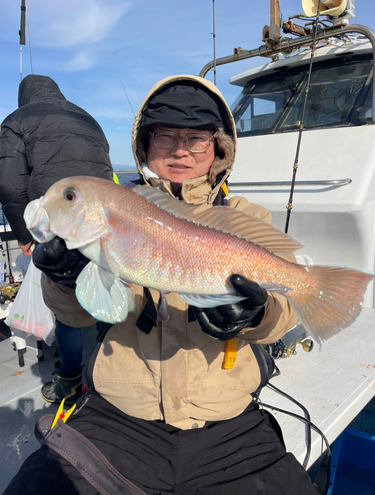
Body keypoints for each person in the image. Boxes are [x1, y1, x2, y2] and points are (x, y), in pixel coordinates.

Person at [3, 75, 319, 494]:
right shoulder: (117, 207)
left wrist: (258, 314)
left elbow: (282, 320)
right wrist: (63, 277)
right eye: (164, 135)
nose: (180, 149)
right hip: (119, 417)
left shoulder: (248, 218)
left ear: (218, 147)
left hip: (228, 420)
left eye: (197, 138)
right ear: (145, 144)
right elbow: (75, 315)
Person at [0, 74, 114, 404]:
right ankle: (111, 370)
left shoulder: (16, 121)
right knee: (106, 296)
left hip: (58, 230)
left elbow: (9, 186)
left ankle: (69, 381)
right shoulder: (89, 119)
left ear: (24, 97)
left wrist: (24, 235)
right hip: (103, 225)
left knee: (66, 312)